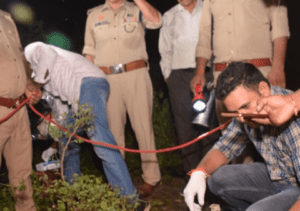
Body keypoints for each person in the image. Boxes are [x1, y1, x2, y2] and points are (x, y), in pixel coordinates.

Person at [184, 62, 300, 211]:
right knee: (218, 179)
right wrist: (199, 172)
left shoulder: (294, 120)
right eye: (236, 112)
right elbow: (223, 148)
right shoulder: (247, 112)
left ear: (264, 90)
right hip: (279, 179)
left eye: (245, 107)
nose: (242, 117)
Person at [24, 42, 140, 206]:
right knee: (67, 140)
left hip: (89, 83)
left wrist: (35, 85)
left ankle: (131, 202)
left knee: (101, 142)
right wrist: (53, 147)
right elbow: (61, 117)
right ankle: (75, 200)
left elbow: (47, 56)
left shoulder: (31, 51)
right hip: (79, 97)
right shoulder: (47, 85)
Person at [190, 0, 290, 163]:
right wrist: (200, 71)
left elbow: (280, 26)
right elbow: (205, 33)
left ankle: (284, 183)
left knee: (272, 134)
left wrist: (278, 66)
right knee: (232, 140)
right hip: (223, 77)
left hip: (258, 73)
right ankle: (242, 184)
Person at [83, 0, 162, 197]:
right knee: (113, 131)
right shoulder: (94, 15)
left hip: (136, 74)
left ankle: (151, 178)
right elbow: (89, 53)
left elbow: (156, 21)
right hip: (106, 78)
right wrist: (88, 85)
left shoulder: (136, 9)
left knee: (143, 127)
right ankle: (119, 182)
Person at [159, 0, 213, 191]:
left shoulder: (209, 7)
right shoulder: (169, 16)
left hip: (207, 73)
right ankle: (192, 179)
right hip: (179, 76)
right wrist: (169, 77)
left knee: (209, 127)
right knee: (185, 130)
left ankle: (212, 180)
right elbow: (164, 51)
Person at [0, 10, 46, 211]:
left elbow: (19, 57)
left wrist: (28, 83)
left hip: (18, 107)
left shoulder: (6, 18)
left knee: (21, 165)